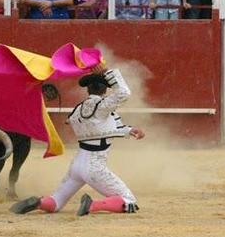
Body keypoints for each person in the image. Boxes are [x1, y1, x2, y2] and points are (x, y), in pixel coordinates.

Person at [10, 61, 145, 216]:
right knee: (129, 200)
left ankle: (40, 202)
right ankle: (92, 205)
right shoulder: (102, 107)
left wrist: (128, 130)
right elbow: (123, 93)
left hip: (77, 165)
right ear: (106, 89)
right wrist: (107, 72)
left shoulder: (78, 110)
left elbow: (99, 129)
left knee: (57, 200)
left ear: (88, 89)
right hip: (95, 167)